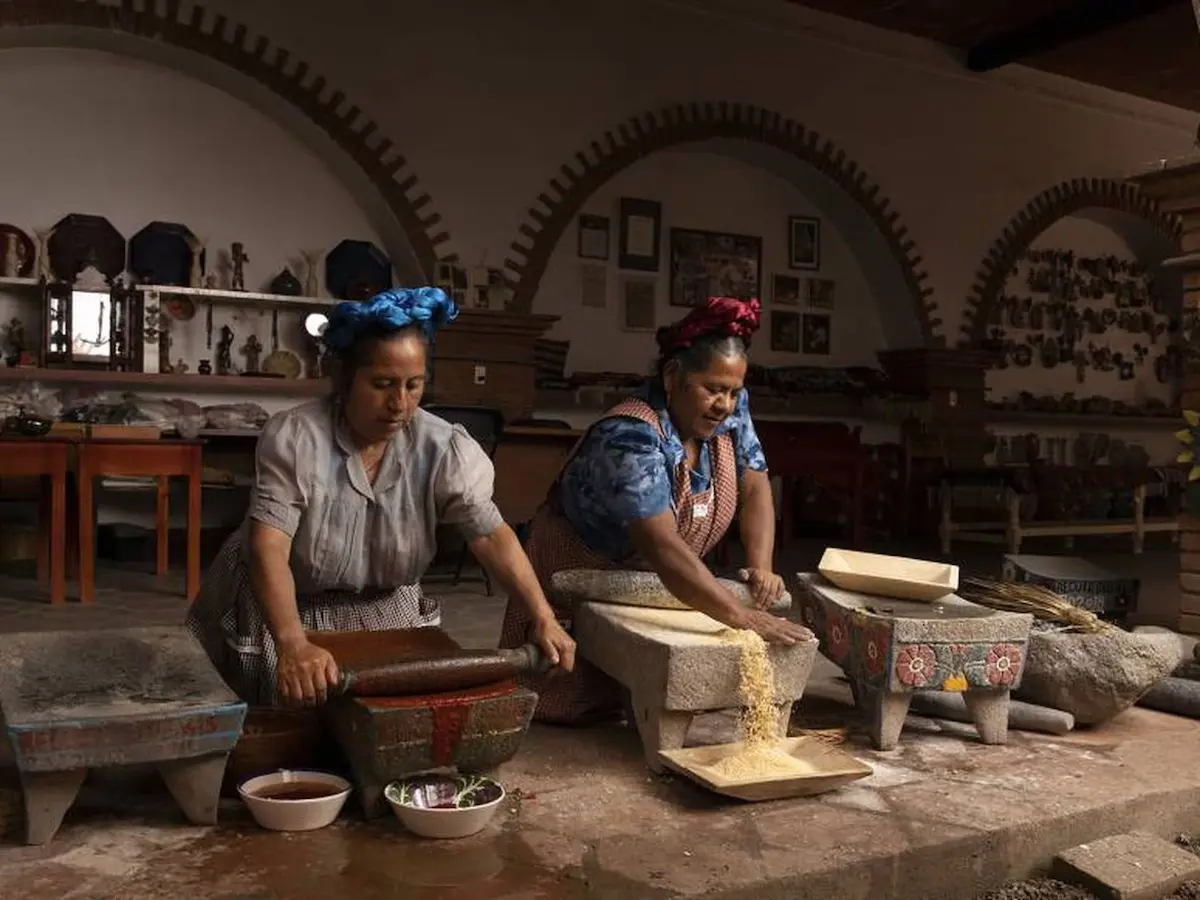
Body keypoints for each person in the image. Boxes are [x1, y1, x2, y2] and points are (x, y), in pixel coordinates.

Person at [186, 287, 576, 707]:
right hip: (283, 603)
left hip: (384, 603)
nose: (399, 404)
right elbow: (269, 545)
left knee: (389, 716)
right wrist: (293, 643)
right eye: (382, 384)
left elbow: (491, 535)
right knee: (279, 721)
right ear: (342, 378)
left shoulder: (443, 449)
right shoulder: (296, 438)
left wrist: (542, 616)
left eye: (414, 385)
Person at [499, 295, 811, 724]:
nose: (724, 404)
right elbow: (662, 545)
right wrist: (741, 616)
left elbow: (755, 484)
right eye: (713, 389)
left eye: (734, 392)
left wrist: (761, 567)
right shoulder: (629, 435)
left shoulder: (729, 417)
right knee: (576, 703)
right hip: (582, 577)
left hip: (657, 581)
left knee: (662, 696)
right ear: (672, 376)